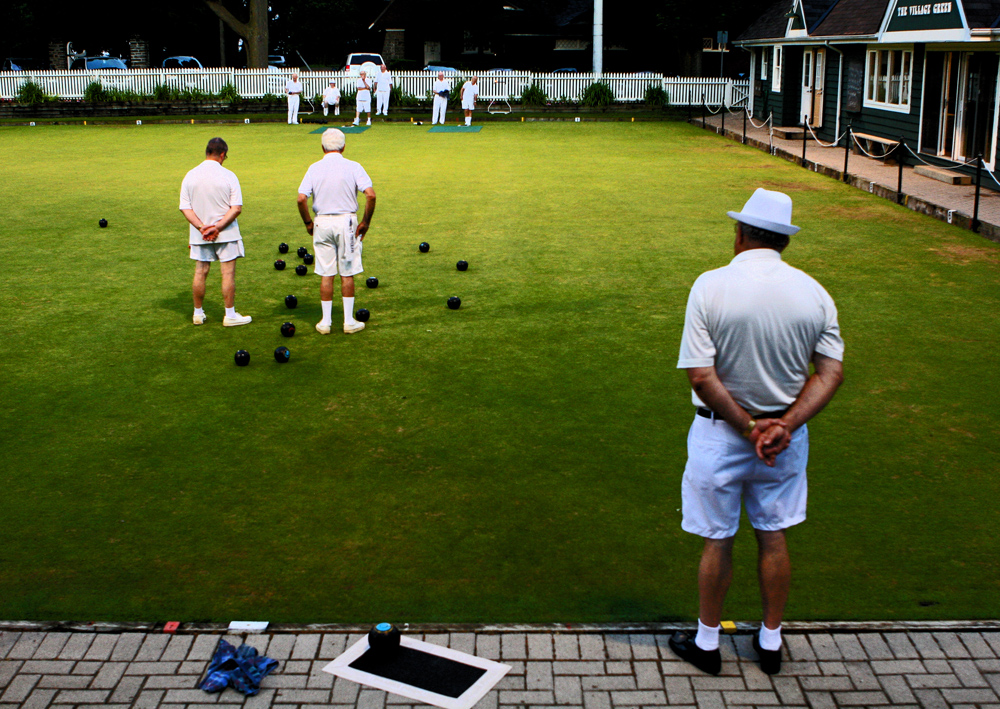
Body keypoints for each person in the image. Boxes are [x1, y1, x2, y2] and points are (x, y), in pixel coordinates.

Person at [669, 188, 844, 676]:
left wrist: (748, 429)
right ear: (783, 241)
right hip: (783, 444)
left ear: (741, 234)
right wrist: (782, 426)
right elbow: (830, 372)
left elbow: (702, 376)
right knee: (773, 536)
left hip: (721, 436)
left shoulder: (709, 285)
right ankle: (770, 641)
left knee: (718, 540)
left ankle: (707, 644)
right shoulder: (814, 292)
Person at [296, 128, 376, 334]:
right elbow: (371, 196)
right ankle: (349, 321)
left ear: (322, 147)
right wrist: (365, 222)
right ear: (344, 147)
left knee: (326, 273)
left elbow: (301, 198)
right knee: (347, 273)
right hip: (347, 223)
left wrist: (307, 223)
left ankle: (325, 322)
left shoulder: (314, 168)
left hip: (322, 222)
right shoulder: (353, 166)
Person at [179, 137, 251, 327]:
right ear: (222, 154)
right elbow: (236, 208)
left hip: (199, 234)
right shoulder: (229, 175)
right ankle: (230, 315)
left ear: (206, 152)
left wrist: (202, 228)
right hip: (226, 233)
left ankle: (197, 313)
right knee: (227, 273)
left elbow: (184, 208)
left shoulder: (190, 175)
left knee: (200, 271)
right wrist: (217, 227)